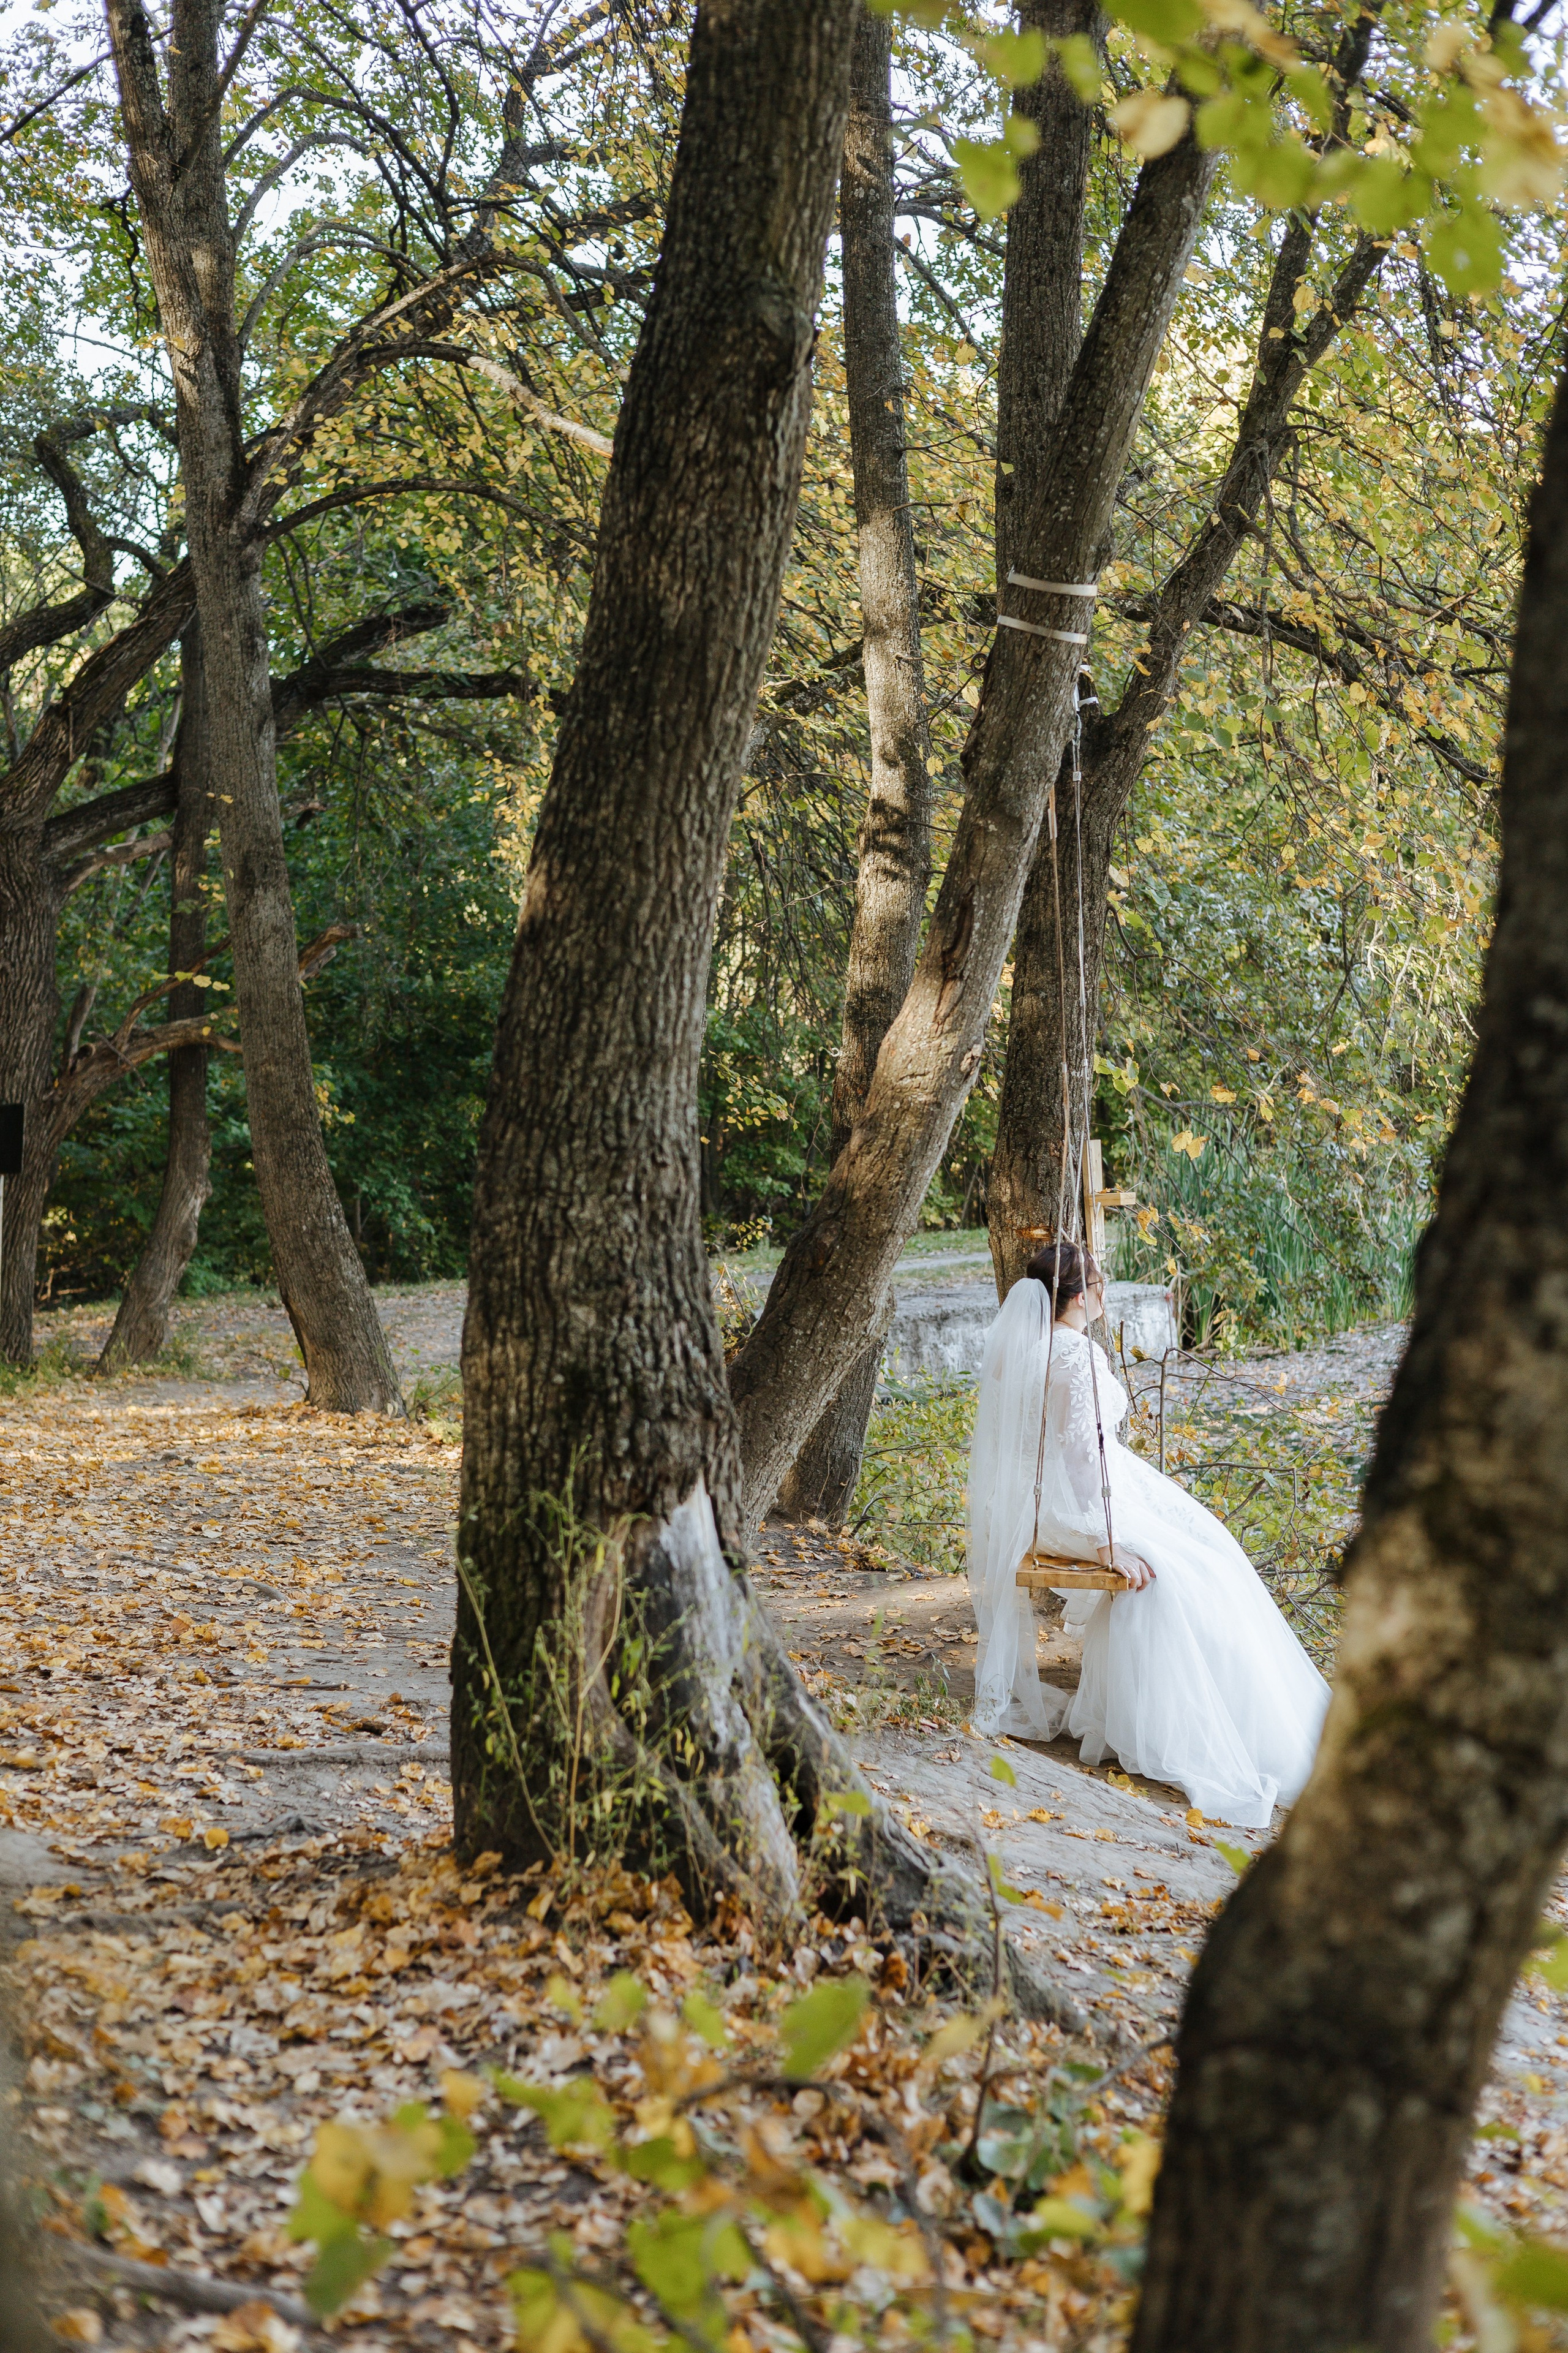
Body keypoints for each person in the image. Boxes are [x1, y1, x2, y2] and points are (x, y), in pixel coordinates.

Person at [966, 1239, 1330, 1828]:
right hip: (1082, 1501)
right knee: (1187, 1569)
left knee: (1212, 1546)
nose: (1105, 1291)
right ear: (1083, 1297)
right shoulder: (1077, 1357)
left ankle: (1135, 1710)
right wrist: (1109, 1541)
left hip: (1053, 1499)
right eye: (1102, 1283)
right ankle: (1184, 1725)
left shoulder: (1033, 1349)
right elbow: (1084, 1456)